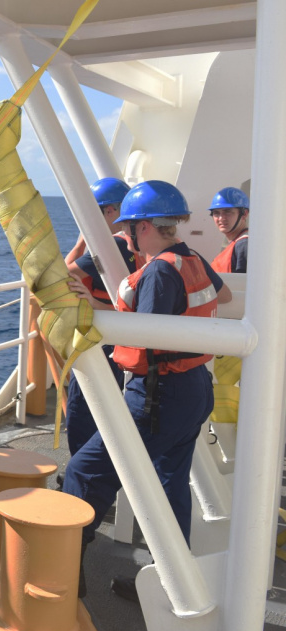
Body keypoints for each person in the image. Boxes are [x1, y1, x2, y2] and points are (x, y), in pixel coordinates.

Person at [64, 180, 231, 598]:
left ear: (142, 227)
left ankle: (62, 569)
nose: (127, 235)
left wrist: (92, 304)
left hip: (159, 396)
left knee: (84, 470)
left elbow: (144, 335)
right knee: (170, 482)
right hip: (195, 390)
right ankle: (173, 587)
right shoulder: (191, 258)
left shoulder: (159, 271)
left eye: (128, 227)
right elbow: (224, 295)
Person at [62, 177, 139, 456]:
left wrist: (82, 242)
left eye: (92, 213)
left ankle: (82, 471)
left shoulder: (111, 245)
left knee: (84, 409)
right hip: (125, 337)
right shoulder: (135, 243)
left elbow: (62, 275)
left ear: (111, 211)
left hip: (102, 337)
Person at [209, 186, 249, 273]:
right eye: (216, 213)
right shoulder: (237, 244)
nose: (221, 218)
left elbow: (243, 281)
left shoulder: (244, 244)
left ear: (244, 214)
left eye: (227, 212)